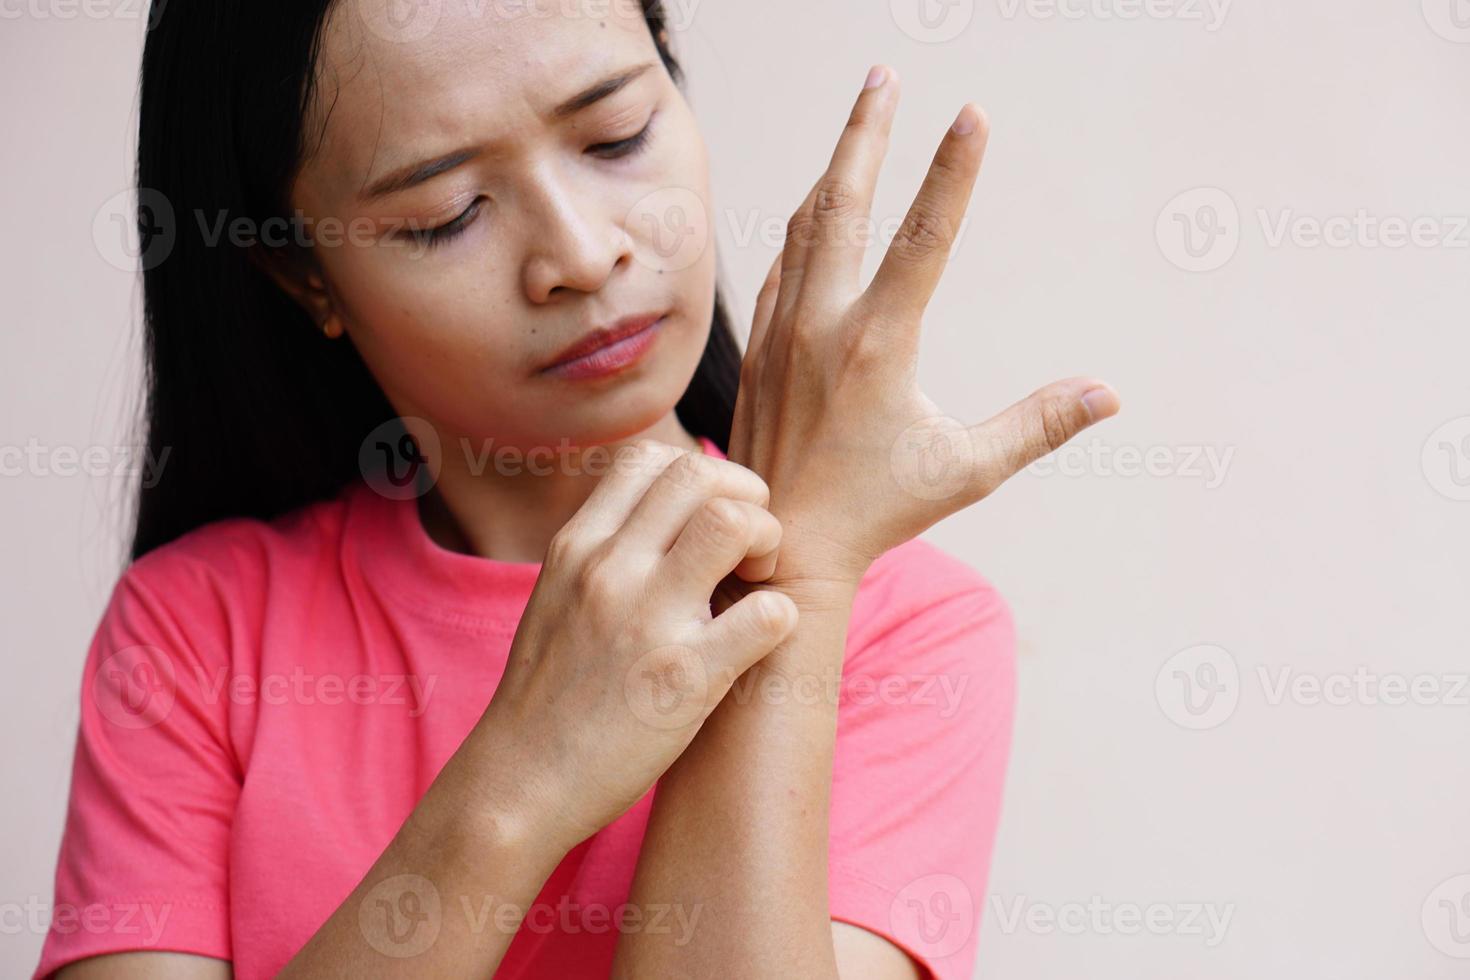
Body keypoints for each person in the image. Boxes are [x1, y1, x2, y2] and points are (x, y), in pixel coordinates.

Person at [35, 1, 1120, 977]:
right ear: (305, 271)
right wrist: (521, 777)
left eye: (617, 137)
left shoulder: (906, 626)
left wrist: (799, 579)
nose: (582, 254)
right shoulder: (193, 633)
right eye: (448, 212)